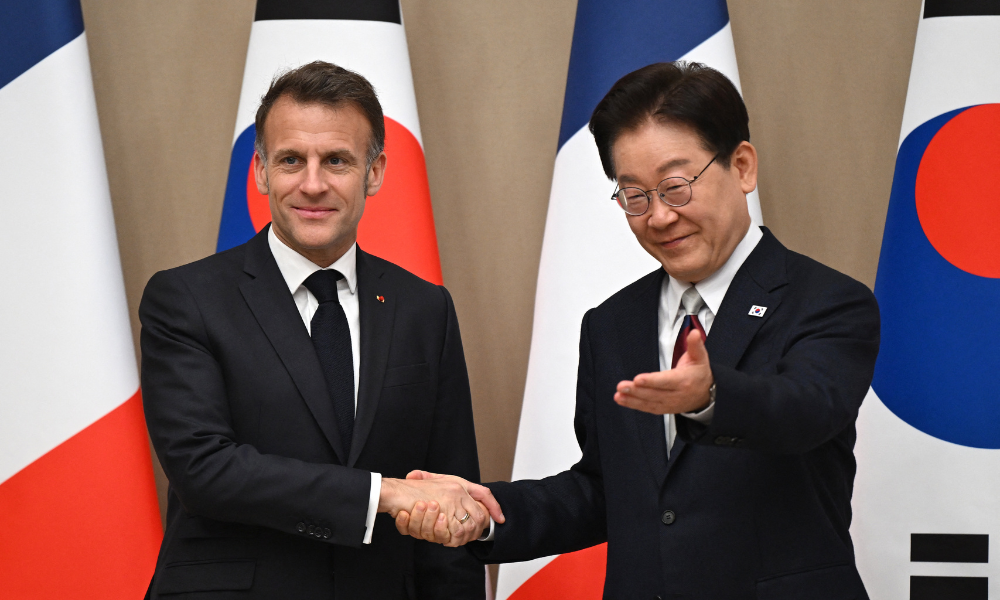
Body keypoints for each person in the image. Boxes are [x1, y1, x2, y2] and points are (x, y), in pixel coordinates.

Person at [397, 62, 880, 599]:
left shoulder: (829, 302)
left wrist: (712, 396)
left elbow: (805, 412)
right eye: (634, 196)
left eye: (675, 187)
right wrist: (485, 512)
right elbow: (605, 492)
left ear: (742, 167)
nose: (659, 217)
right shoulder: (612, 325)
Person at [139, 61, 498, 600]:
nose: (312, 184)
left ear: (373, 172)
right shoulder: (185, 299)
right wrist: (382, 495)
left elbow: (448, 492)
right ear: (260, 171)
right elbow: (204, 470)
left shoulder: (425, 308)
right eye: (290, 160)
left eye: (336, 160)